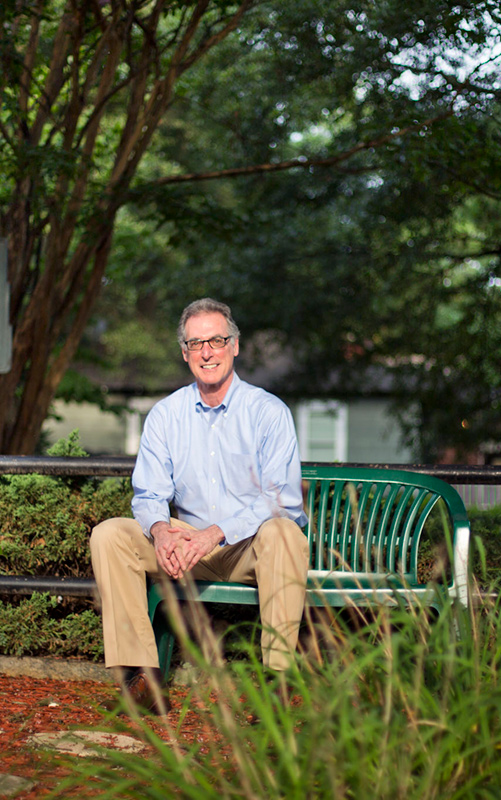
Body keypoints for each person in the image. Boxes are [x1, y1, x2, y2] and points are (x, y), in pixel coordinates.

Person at [90, 298, 309, 714]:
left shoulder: (267, 412)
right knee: (110, 535)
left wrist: (215, 533)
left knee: (284, 531)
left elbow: (283, 499)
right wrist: (160, 531)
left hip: (248, 547)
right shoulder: (166, 415)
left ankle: (278, 688)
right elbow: (149, 494)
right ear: (185, 353)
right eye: (196, 343)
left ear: (235, 345)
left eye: (216, 340)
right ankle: (143, 680)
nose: (206, 352)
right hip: (186, 546)